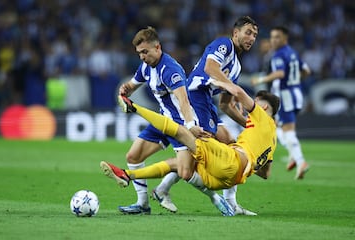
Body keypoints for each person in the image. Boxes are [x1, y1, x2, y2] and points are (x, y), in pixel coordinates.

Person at [100, 81, 279, 216]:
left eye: (255, 103)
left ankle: (134, 107)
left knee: (183, 133)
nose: (249, 108)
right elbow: (265, 174)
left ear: (263, 107)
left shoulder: (261, 116)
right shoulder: (273, 138)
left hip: (230, 162)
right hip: (230, 179)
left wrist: (220, 81)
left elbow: (238, 92)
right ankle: (128, 175)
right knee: (181, 164)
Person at [115, 26, 226, 215]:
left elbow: (183, 99)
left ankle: (217, 199)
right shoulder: (146, 66)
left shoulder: (169, 69)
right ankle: (143, 204)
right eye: (139, 53)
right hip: (162, 121)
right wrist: (126, 90)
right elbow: (133, 85)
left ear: (157, 48)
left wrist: (190, 126)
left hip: (179, 124)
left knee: (186, 172)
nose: (142, 56)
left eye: (145, 52)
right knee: (132, 156)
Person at [186, 16, 258, 214]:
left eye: (255, 35)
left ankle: (232, 203)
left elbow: (225, 105)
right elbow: (210, 68)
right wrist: (234, 88)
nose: (251, 38)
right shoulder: (224, 44)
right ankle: (164, 188)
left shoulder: (237, 67)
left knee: (229, 142)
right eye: (248, 32)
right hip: (194, 94)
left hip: (207, 101)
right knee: (203, 147)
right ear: (236, 33)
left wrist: (249, 124)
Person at [251, 26, 311, 179]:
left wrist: (260, 79)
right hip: (296, 94)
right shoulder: (292, 52)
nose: (273, 40)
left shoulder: (278, 55)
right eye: (272, 37)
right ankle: (293, 154)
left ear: (285, 38)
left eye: (277, 37)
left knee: (287, 130)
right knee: (276, 127)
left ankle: (300, 160)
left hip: (285, 96)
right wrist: (296, 81)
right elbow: (306, 71)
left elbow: (280, 73)